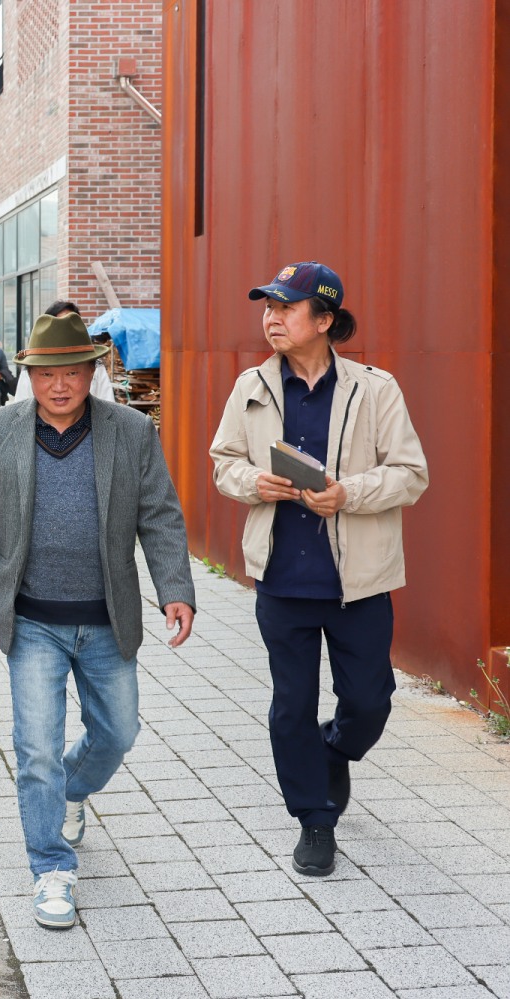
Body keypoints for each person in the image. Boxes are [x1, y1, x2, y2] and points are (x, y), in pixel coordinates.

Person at [0, 310, 196, 930]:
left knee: (119, 732)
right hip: (30, 618)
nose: (59, 385)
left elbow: (160, 516)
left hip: (106, 616)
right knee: (35, 747)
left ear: (91, 373)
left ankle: (71, 789)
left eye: (72, 372)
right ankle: (52, 869)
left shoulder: (131, 431)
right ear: (28, 376)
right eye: (46, 374)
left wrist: (176, 588)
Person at [210, 261, 428, 878]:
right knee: (291, 704)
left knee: (370, 701)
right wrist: (255, 481)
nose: (271, 318)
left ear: (325, 320)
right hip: (282, 579)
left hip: (358, 581)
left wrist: (348, 494)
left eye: (286, 307)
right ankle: (314, 819)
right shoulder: (251, 385)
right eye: (267, 308)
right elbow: (222, 462)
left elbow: (411, 473)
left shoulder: (375, 389)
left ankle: (336, 749)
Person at [14, 302, 117, 405]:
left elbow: (107, 403)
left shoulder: (95, 365)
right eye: (47, 374)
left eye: (72, 373)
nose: (59, 388)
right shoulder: (33, 366)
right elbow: (21, 406)